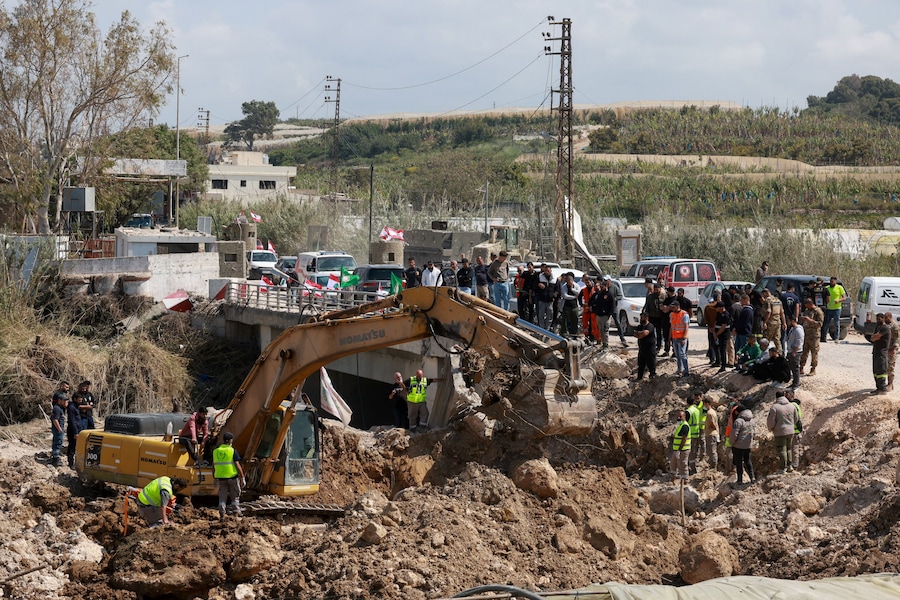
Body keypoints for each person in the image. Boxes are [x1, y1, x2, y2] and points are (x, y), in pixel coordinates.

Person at [213, 432, 246, 519]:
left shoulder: (216, 451)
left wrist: (214, 477)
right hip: (232, 477)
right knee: (234, 496)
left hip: (221, 478)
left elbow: (213, 465)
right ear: (230, 440)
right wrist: (242, 477)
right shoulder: (232, 450)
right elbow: (237, 465)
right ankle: (235, 514)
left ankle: (222, 514)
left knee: (222, 496)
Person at [767, 390, 800, 473]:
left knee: (782, 449)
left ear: (776, 397)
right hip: (791, 431)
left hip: (780, 432)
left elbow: (771, 421)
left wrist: (771, 429)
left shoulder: (775, 407)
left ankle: (782, 468)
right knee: (789, 449)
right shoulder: (791, 406)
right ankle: (789, 466)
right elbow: (796, 419)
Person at [729, 405, 755, 486]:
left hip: (738, 445)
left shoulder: (738, 421)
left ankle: (740, 480)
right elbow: (754, 433)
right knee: (747, 460)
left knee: (739, 462)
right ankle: (752, 477)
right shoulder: (752, 421)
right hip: (748, 445)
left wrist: (731, 443)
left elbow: (734, 434)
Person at [799, 297, 824, 376]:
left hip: (814, 336)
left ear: (810, 304)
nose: (806, 307)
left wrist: (810, 320)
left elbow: (819, 324)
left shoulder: (818, 311)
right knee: (804, 352)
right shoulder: (807, 311)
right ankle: (801, 367)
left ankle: (813, 369)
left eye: (807, 305)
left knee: (814, 353)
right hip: (806, 334)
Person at [644, 281, 667, 356]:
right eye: (655, 289)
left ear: (660, 289)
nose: (657, 291)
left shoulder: (664, 296)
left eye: (658, 289)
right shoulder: (650, 297)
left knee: (659, 332)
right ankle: (652, 345)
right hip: (652, 317)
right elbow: (647, 307)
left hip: (660, 317)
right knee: (651, 332)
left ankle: (659, 346)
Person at [590, 278, 615, 347]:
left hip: (606, 316)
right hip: (599, 315)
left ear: (606, 286)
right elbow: (596, 302)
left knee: (605, 331)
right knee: (600, 331)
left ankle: (606, 345)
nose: (601, 288)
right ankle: (603, 344)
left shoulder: (610, 295)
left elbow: (612, 306)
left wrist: (609, 314)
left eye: (602, 287)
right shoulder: (600, 294)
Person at [871, 312, 891, 395]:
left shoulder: (885, 328)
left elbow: (875, 337)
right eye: (877, 318)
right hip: (876, 351)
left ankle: (882, 389)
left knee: (881, 370)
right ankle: (878, 388)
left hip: (882, 353)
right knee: (876, 370)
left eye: (879, 318)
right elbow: (873, 338)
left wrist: (874, 337)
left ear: (883, 319)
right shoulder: (878, 327)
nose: (877, 320)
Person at [822, 276, 847, 342]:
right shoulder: (827, 288)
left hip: (837, 308)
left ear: (835, 281)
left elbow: (844, 298)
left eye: (832, 281)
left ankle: (836, 338)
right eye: (830, 281)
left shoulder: (839, 288)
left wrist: (839, 300)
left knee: (836, 323)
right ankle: (824, 338)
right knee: (827, 323)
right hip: (829, 308)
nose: (831, 282)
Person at [761, 289, 786, 353]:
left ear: (765, 293)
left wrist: (765, 323)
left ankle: (764, 354)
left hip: (770, 322)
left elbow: (768, 312)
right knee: (777, 340)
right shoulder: (777, 300)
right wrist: (784, 323)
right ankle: (780, 354)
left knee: (766, 340)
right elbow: (782, 312)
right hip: (778, 322)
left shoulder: (768, 301)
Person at [670, 301, 690, 377]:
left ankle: (686, 370)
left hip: (682, 338)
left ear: (678, 306)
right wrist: (670, 338)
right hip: (675, 338)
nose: (672, 308)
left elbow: (686, 327)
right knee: (678, 355)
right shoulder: (672, 314)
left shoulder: (684, 314)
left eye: (673, 307)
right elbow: (671, 327)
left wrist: (684, 338)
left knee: (682, 354)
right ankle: (680, 370)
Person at [606, 275, 628, 346]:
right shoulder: (605, 288)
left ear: (610, 280)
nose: (606, 282)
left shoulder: (615, 288)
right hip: (606, 309)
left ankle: (622, 339)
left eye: (607, 280)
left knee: (618, 323)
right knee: (605, 324)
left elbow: (620, 296)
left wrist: (614, 299)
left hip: (614, 308)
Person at [634, 313, 657, 380]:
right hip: (642, 348)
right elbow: (635, 334)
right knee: (641, 364)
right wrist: (640, 334)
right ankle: (639, 378)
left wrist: (640, 334)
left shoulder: (650, 326)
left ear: (646, 318)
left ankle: (652, 375)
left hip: (650, 349)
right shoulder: (640, 326)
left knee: (651, 363)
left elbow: (645, 333)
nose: (641, 319)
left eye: (642, 317)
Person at [784, 315, 804, 390]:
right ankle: (794, 382)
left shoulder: (798, 330)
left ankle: (796, 384)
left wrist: (794, 352)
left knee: (795, 368)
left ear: (792, 321)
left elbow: (799, 342)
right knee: (792, 367)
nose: (787, 323)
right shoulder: (792, 329)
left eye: (788, 321)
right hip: (790, 351)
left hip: (795, 352)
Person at [65, 392, 85, 468]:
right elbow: (72, 421)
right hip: (73, 430)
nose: (80, 402)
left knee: (77, 447)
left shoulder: (76, 407)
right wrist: (75, 433)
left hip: (78, 429)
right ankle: (70, 463)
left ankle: (75, 462)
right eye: (79, 400)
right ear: (75, 399)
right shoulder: (71, 407)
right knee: (72, 447)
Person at [670, 410, 691, 481]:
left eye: (680, 416)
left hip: (683, 450)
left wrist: (679, 450)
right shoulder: (680, 425)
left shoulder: (685, 426)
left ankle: (685, 480)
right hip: (677, 449)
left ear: (684, 417)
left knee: (682, 465)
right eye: (678, 416)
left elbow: (684, 439)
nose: (678, 418)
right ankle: (673, 478)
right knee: (673, 463)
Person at [535, 264, 557, 330]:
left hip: (550, 301)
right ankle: (541, 330)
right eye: (546, 271)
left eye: (548, 271)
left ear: (551, 271)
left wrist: (554, 296)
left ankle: (547, 330)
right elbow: (534, 286)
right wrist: (538, 284)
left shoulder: (554, 278)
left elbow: (557, 289)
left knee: (549, 316)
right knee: (541, 316)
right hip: (542, 300)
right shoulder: (540, 277)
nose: (547, 272)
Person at [559, 272, 580, 337]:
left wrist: (572, 289)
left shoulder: (576, 285)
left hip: (575, 306)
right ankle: (564, 333)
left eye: (570, 280)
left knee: (575, 320)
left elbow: (579, 293)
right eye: (567, 280)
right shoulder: (564, 286)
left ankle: (574, 333)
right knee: (565, 321)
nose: (569, 282)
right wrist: (574, 297)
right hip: (566, 306)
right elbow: (565, 296)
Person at [713, 301, 732, 372]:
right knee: (716, 347)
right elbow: (715, 322)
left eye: (717, 308)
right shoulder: (718, 313)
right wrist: (714, 332)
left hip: (723, 334)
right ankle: (718, 361)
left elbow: (723, 327)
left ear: (721, 308)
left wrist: (717, 334)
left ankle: (723, 366)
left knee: (722, 349)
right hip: (717, 333)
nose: (716, 309)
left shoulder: (726, 315)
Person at [686, 394, 702, 475]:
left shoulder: (688, 411)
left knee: (689, 452)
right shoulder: (697, 410)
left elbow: (685, 423)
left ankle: (692, 468)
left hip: (690, 434)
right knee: (694, 451)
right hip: (696, 433)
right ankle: (692, 467)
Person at [787, 389, 803, 470]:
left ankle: (794, 465)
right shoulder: (795, 405)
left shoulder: (793, 406)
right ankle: (792, 465)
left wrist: (799, 429)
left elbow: (797, 420)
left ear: (792, 396)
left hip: (794, 430)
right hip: (793, 430)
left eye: (787, 395)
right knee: (793, 448)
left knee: (793, 448)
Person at [50, 391, 66, 467]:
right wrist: (59, 429)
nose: (65, 402)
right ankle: (55, 460)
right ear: (60, 400)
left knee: (56, 442)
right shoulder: (57, 408)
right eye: (64, 401)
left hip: (59, 428)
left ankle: (55, 457)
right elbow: (55, 420)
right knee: (58, 443)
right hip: (58, 429)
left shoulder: (59, 408)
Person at [886, 312, 900, 391]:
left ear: (889, 317)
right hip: (887, 349)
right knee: (885, 366)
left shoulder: (895, 327)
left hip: (892, 349)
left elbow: (897, 339)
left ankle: (890, 384)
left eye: (886, 317)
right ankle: (888, 384)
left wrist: (894, 349)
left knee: (890, 367)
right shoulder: (887, 325)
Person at [704, 402, 719, 471]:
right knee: (711, 450)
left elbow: (713, 423)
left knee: (712, 450)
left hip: (711, 433)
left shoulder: (710, 413)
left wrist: (713, 428)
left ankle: (714, 466)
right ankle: (712, 464)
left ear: (707, 404)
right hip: (711, 433)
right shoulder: (712, 412)